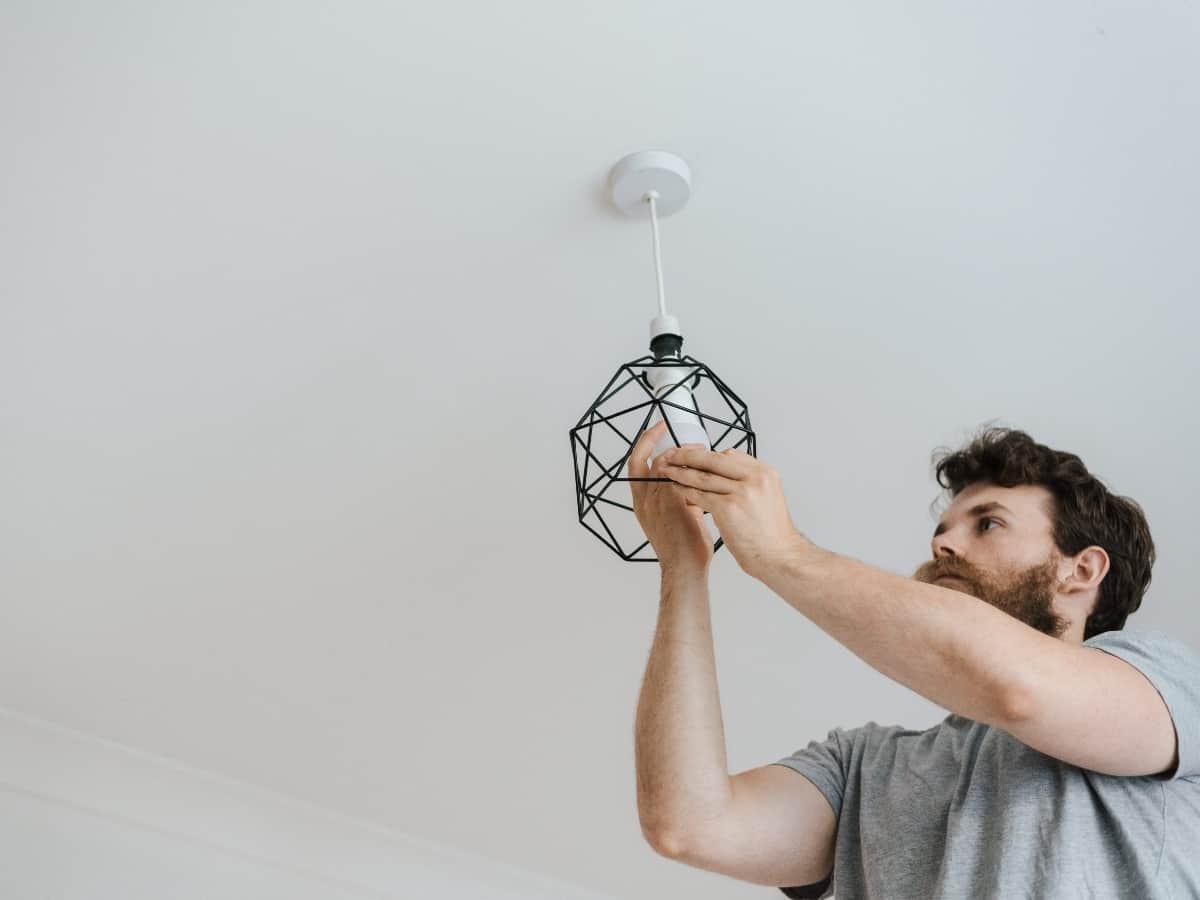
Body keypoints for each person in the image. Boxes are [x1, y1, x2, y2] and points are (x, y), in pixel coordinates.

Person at [630, 421, 1199, 899]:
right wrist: (683, 567)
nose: (942, 545)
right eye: (942, 530)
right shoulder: (862, 766)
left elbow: (1016, 689)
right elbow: (690, 824)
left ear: (1083, 570)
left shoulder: (1164, 678)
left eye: (988, 523)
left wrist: (784, 554)